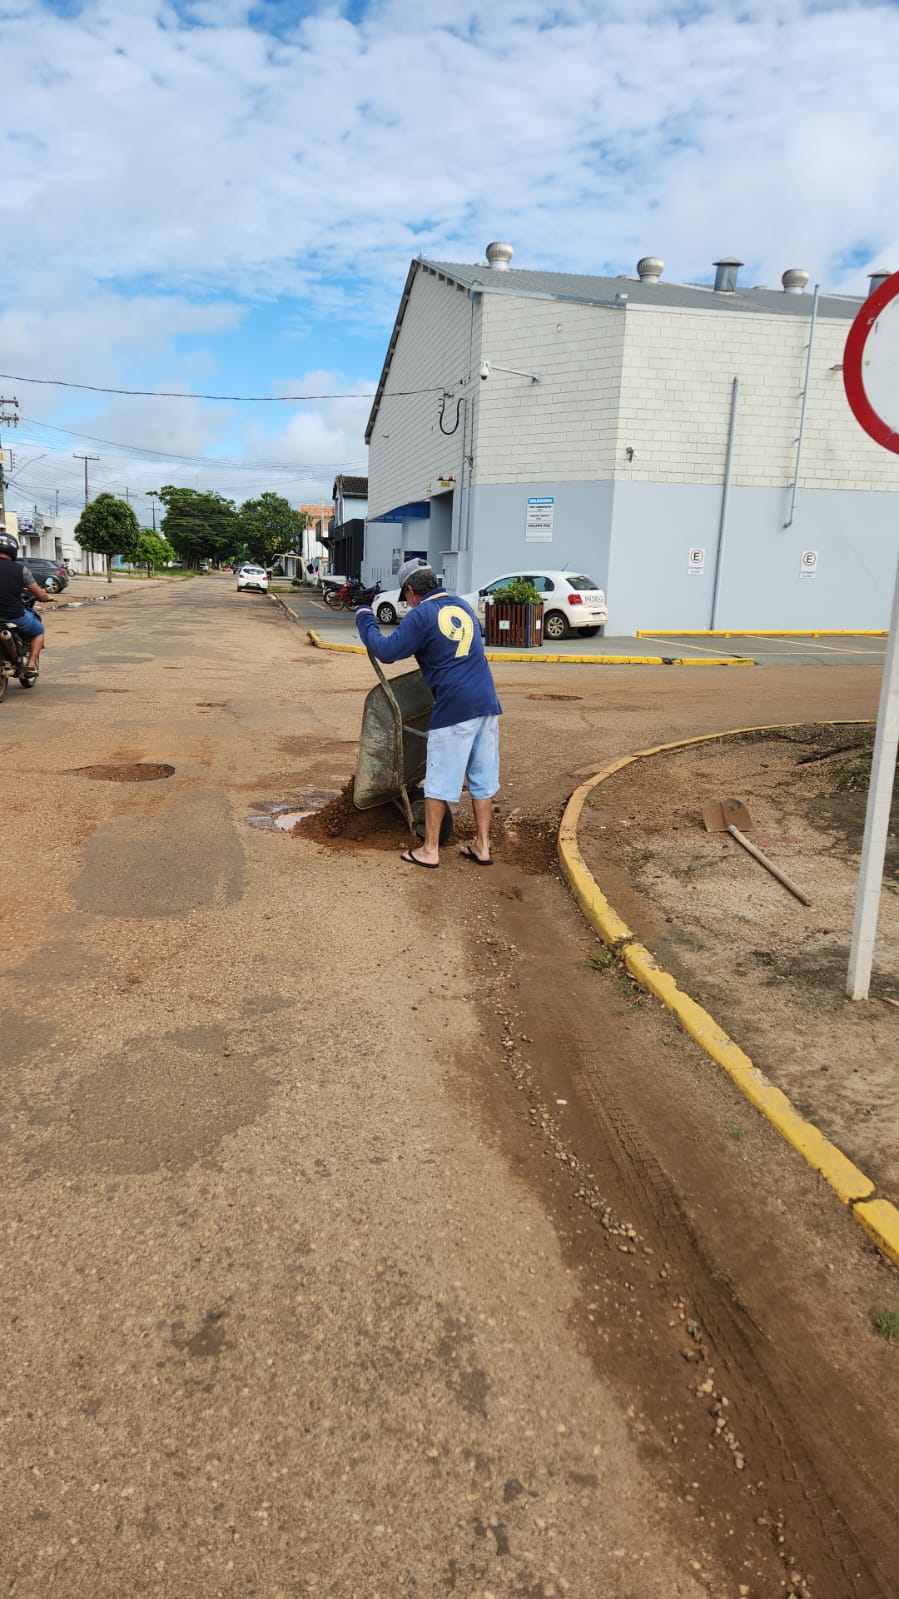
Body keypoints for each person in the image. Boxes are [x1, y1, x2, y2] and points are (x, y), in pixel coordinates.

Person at [356, 559, 501, 868]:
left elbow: (387, 651)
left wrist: (365, 618)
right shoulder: (461, 606)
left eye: (405, 597)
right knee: (482, 778)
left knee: (438, 779)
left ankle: (430, 849)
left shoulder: (422, 614)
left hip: (455, 707)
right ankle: (483, 845)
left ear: (411, 590)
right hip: (486, 703)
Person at [0, 530, 52, 674]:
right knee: (39, 630)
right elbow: (39, 593)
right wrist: (46, 597)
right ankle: (31, 664)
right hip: (13, 615)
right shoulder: (21, 570)